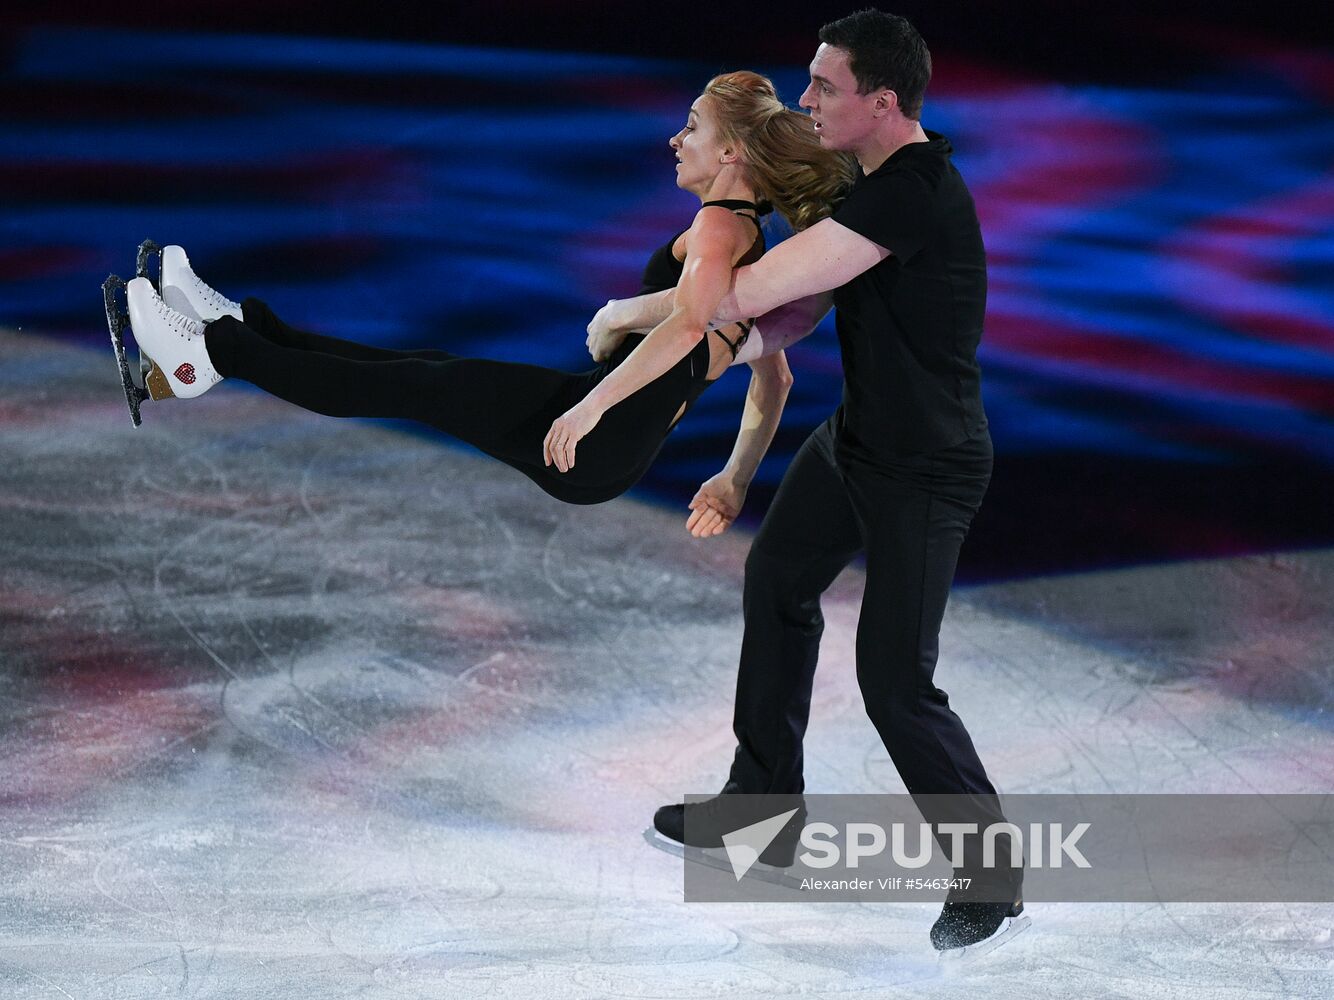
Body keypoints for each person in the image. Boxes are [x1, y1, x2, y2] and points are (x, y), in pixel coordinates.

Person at [596, 12, 1025, 952]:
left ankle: (990, 876)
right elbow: (793, 315)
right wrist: (724, 350)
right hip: (858, 442)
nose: (805, 100)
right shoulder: (866, 184)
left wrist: (637, 316)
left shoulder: (910, 194)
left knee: (893, 682)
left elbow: (749, 291)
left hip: (928, 466)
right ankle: (763, 812)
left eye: (824, 87)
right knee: (779, 580)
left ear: (882, 101)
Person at [120, 71, 856, 515]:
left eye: (692, 127)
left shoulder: (720, 230)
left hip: (594, 437)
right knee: (422, 371)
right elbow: (774, 372)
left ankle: (208, 356)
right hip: (607, 445)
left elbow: (692, 326)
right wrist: (732, 478)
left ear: (732, 152)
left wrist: (591, 405)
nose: (676, 139)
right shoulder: (745, 246)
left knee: (416, 384)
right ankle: (238, 326)